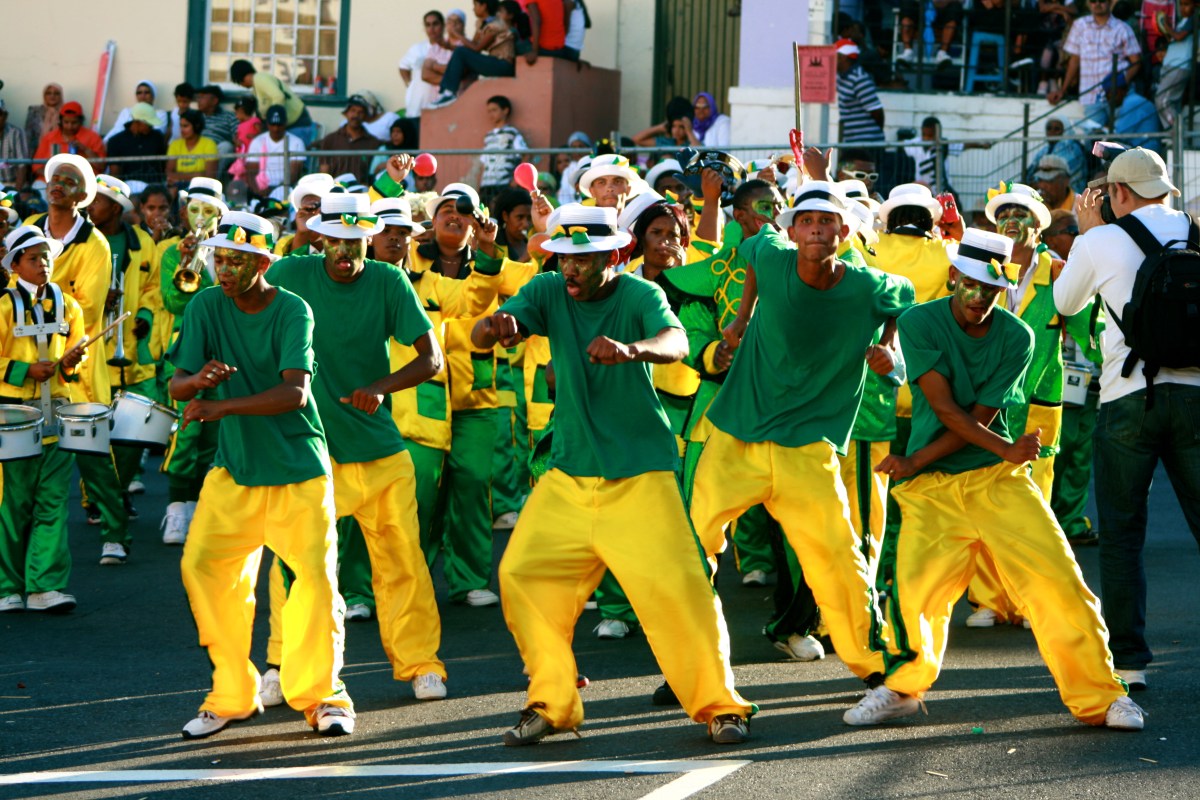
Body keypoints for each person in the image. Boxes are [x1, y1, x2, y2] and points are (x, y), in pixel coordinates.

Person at [471, 203, 756, 745]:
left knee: (682, 591)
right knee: (520, 577)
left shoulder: (639, 295)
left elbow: (676, 343)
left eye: (584, 258)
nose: (571, 268)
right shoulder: (548, 289)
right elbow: (488, 335)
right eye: (564, 257)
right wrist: (494, 326)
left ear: (613, 254)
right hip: (570, 473)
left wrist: (633, 350)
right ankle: (552, 701)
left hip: (639, 474)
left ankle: (723, 706)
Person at [856, 227, 1144, 733]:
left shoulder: (1018, 335)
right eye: (970, 284)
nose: (978, 297)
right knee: (914, 597)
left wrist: (923, 458)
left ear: (1002, 289)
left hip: (997, 480)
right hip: (936, 489)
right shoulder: (918, 321)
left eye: (990, 289)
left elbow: (981, 417)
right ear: (952, 277)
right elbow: (945, 408)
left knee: (1060, 584)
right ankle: (902, 689)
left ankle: (1103, 697)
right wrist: (924, 463)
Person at [689, 181, 915, 710]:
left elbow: (904, 301)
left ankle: (880, 674)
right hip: (735, 438)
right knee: (690, 549)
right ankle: (690, 665)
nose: (816, 229)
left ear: (846, 231)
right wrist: (741, 320)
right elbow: (749, 255)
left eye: (827, 221)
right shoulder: (769, 253)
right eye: (806, 221)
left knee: (839, 560)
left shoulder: (870, 285)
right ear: (791, 232)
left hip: (807, 453)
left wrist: (887, 350)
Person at [169, 210, 354, 740]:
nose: (222, 270)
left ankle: (323, 698)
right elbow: (180, 385)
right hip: (237, 471)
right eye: (218, 259)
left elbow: (294, 393)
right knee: (203, 568)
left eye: (234, 261)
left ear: (262, 261)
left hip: (299, 469)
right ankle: (233, 693)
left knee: (315, 585)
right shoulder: (206, 305)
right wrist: (199, 380)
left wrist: (222, 407)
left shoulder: (293, 310)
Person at [266, 191, 450, 703]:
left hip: (380, 453)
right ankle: (283, 663)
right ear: (321, 237)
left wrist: (381, 388)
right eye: (337, 241)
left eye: (357, 242)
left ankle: (421, 665)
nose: (347, 253)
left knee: (402, 562)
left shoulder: (389, 281)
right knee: (296, 564)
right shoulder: (290, 273)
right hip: (310, 452)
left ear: (371, 239)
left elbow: (431, 358)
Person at [1053, 147, 1200, 693]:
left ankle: (1131, 662)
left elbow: (1067, 304)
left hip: (1126, 398)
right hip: (1195, 393)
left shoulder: (1101, 239)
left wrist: (1090, 234)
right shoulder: (1197, 230)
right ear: (1164, 188)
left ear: (1115, 192)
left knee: (1121, 535)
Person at [26, 154, 132, 555]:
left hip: (77, 362)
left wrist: (33, 299)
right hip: (29, 361)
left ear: (83, 195)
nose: (57, 185)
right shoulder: (29, 228)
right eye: (55, 178)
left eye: (69, 181)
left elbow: (85, 309)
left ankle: (115, 532)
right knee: (28, 454)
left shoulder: (96, 244)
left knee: (91, 454)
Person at [0, 226, 87, 613]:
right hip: (12, 414)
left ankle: (45, 585)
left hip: (57, 410)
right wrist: (24, 370)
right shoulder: (2, 306)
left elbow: (75, 351)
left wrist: (70, 363)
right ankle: (7, 586)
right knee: (13, 502)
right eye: (34, 259)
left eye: (47, 257)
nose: (43, 265)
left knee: (53, 500)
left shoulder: (68, 305)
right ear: (15, 264)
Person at [87, 174, 164, 563]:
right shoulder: (84, 240)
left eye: (96, 201)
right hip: (90, 354)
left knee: (136, 433)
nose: (89, 206)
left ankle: (113, 497)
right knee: (93, 441)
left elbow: (151, 288)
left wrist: (145, 316)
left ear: (114, 209)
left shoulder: (142, 241)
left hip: (133, 353)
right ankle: (105, 508)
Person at [158, 176, 229, 545]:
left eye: (208, 210)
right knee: (186, 432)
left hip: (225, 351)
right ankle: (175, 510)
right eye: (194, 210)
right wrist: (185, 261)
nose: (199, 218)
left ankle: (202, 510)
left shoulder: (232, 249)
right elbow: (173, 302)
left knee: (216, 435)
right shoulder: (172, 251)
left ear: (219, 213)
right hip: (187, 352)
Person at [1048, 0, 1141, 108]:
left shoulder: (1123, 28)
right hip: (1090, 97)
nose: (1097, 4)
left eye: (1101, 1)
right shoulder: (1079, 25)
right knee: (1091, 125)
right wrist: (1063, 90)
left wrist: (1122, 81)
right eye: (1093, 1)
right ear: (1088, 3)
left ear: (1110, 2)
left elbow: (1136, 62)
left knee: (1121, 124)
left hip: (1118, 96)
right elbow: (1074, 60)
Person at [429, 0, 520, 107]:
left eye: (475, 5)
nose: (473, 8)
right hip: (495, 62)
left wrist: (457, 35)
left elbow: (477, 48)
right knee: (461, 53)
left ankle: (449, 92)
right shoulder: (482, 23)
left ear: (484, 6)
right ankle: (445, 92)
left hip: (503, 65)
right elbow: (471, 47)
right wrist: (448, 46)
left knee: (461, 52)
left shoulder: (495, 25)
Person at [230, 59, 315, 144]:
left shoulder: (260, 78)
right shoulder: (256, 89)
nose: (241, 85)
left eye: (239, 82)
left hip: (297, 123)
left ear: (240, 78)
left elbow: (279, 97)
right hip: (287, 127)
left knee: (294, 155)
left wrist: (273, 122)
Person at [312, 95, 382, 186]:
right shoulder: (331, 139)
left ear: (365, 116)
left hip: (361, 192)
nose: (356, 115)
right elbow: (324, 172)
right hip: (335, 191)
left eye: (360, 112)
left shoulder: (373, 142)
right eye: (353, 111)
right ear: (346, 113)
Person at [31, 102, 105, 182]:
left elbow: (101, 167)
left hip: (83, 182)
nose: (70, 126)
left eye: (74, 123)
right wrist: (55, 177)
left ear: (80, 121)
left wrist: (85, 149)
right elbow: (37, 167)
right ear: (60, 121)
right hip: (51, 181)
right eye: (66, 122)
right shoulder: (49, 138)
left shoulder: (93, 137)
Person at [398, 9, 450, 118]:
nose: (431, 29)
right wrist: (409, 85)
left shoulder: (451, 48)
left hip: (442, 107)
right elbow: (403, 66)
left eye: (435, 24)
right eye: (428, 25)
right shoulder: (417, 49)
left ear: (443, 25)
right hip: (416, 107)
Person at [477, 96, 527, 206]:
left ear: (505, 110)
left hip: (503, 182)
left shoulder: (512, 133)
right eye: (489, 111)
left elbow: (525, 155)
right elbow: (484, 163)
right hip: (486, 184)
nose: (491, 114)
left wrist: (515, 181)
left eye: (494, 110)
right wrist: (480, 183)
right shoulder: (488, 136)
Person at [245, 106, 305, 195]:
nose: (276, 129)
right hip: (261, 189)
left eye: (279, 125)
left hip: (285, 190)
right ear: (267, 124)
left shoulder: (296, 142)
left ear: (285, 123)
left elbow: (294, 173)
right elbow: (251, 172)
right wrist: (258, 191)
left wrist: (276, 191)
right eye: (272, 124)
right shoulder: (257, 142)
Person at [104, 103, 168, 186]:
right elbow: (115, 174)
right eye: (149, 123)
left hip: (154, 187)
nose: (151, 126)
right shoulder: (115, 141)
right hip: (127, 187)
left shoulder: (157, 137)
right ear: (137, 122)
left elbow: (163, 166)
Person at [1155, 0, 1196, 129]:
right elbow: (1175, 39)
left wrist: (1166, 26)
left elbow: (1179, 37)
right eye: (1182, 4)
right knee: (1172, 102)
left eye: (1187, 4)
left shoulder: (1193, 19)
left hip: (1180, 65)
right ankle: (1176, 139)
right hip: (1172, 64)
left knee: (1162, 101)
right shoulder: (1182, 22)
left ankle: (1176, 131)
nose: (1184, 8)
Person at [836, 38, 885, 143]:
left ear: (843, 57)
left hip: (867, 142)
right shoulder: (841, 77)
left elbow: (876, 111)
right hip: (852, 140)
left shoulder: (859, 78)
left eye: (834, 56)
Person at [1024, 118, 1088, 193]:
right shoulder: (1045, 149)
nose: (1052, 132)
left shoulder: (1072, 148)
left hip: (1072, 194)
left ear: (1065, 130)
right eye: (1049, 128)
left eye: (1057, 129)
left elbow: (1059, 174)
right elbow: (1032, 172)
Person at [896, 0, 963, 66]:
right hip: (919, 13)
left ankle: (942, 53)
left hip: (942, 14)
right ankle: (908, 51)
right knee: (907, 3)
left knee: (955, 7)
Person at [103, 81, 169, 143]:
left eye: (146, 92)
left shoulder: (160, 113)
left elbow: (157, 134)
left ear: (153, 96)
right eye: (139, 93)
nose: (143, 96)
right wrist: (105, 142)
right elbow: (117, 129)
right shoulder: (127, 112)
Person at [167, 110, 219, 185]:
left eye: (185, 126)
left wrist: (179, 176)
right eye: (180, 126)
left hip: (202, 186)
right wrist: (197, 175)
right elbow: (169, 173)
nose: (182, 130)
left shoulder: (209, 144)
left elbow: (210, 175)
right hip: (179, 186)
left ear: (196, 126)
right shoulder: (175, 144)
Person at [194, 85, 238, 163]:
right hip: (197, 150)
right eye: (198, 98)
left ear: (214, 101)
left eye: (202, 97)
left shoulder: (229, 117)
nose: (198, 101)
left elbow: (237, 137)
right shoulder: (195, 116)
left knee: (226, 146)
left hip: (217, 151)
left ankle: (213, 174)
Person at [25, 83, 63, 156]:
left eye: (56, 93)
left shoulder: (66, 112)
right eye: (49, 93)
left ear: (60, 96)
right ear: (44, 96)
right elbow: (28, 136)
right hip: (37, 153)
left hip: (61, 153)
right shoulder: (34, 111)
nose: (52, 96)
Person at [0, 100, 30, 189]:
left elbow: (23, 166)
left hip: (13, 184)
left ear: (5, 116)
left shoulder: (16, 133)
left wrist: (15, 194)